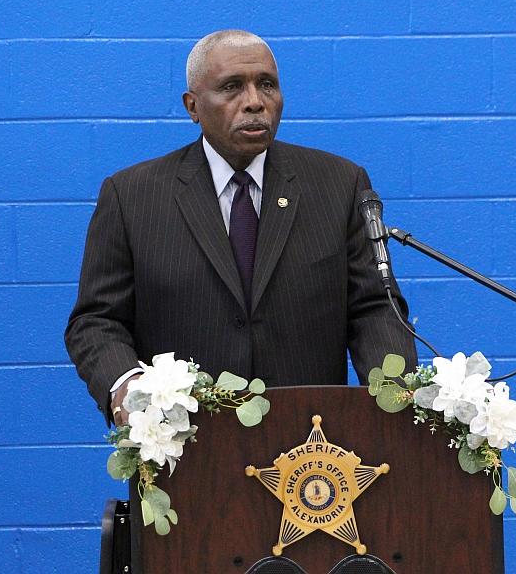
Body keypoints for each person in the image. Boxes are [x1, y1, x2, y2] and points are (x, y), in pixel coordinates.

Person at [65, 30, 417, 427]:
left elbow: (373, 309)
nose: (254, 101)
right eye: (232, 87)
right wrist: (126, 386)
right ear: (192, 106)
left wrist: (396, 400)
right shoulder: (132, 196)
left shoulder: (339, 184)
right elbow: (96, 320)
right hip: (186, 443)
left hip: (312, 448)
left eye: (267, 85)